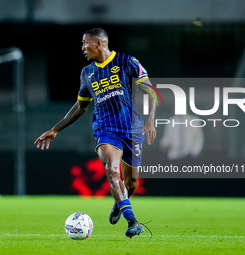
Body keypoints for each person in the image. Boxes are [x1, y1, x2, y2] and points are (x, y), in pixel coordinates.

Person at [34, 28, 156, 238]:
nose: (82, 48)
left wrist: (150, 120)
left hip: (132, 129)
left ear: (99, 43)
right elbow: (81, 107)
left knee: (131, 184)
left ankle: (119, 203)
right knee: (111, 168)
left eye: (85, 43)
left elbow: (151, 91)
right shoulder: (87, 73)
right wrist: (56, 129)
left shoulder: (128, 62)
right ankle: (132, 221)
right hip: (105, 128)